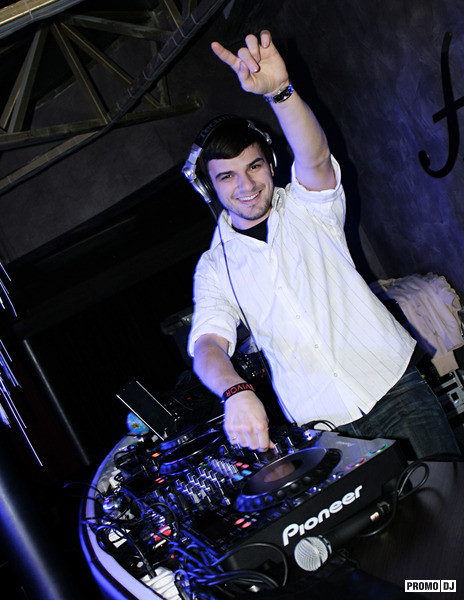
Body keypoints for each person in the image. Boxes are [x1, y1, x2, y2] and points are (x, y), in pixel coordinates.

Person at [183, 30, 460, 460]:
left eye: (254, 166)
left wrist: (281, 92)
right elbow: (207, 346)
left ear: (271, 164)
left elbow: (313, 157)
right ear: (209, 188)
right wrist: (235, 391)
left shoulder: (307, 205)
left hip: (395, 388)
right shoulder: (214, 267)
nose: (246, 185)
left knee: (448, 494)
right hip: (323, 426)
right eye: (227, 176)